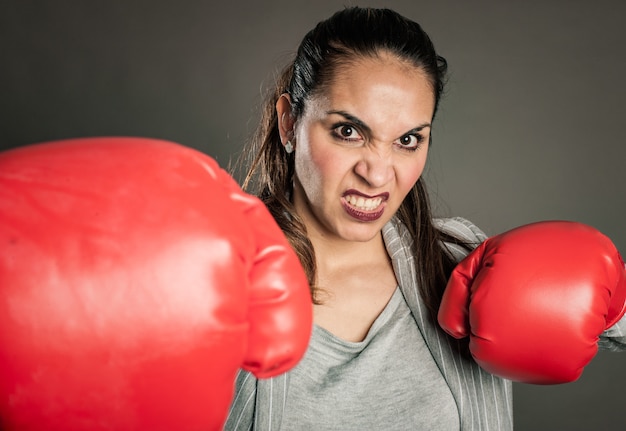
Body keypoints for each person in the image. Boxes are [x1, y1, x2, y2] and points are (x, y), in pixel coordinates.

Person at [224, 6, 626, 431]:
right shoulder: (213, 280)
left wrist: (614, 298)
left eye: (408, 140)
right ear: (289, 123)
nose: (378, 173)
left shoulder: (462, 267)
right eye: (348, 131)